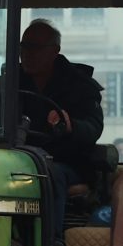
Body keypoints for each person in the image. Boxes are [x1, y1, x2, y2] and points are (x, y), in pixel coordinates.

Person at [15, 20, 106, 193]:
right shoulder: (11, 82)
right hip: (18, 158)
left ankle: (51, 213)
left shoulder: (80, 85)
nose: (26, 54)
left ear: (54, 51)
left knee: (48, 176)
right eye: (23, 47)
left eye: (35, 47)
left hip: (66, 162)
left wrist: (70, 125)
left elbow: (93, 127)